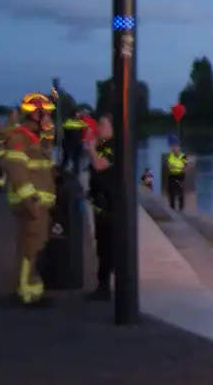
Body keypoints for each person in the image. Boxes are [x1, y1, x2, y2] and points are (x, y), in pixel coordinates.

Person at [2, 93, 58, 306]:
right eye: (45, 114)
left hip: (39, 204)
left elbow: (45, 160)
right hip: (30, 204)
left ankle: (34, 289)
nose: (48, 118)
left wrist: (48, 132)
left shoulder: (37, 138)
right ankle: (26, 293)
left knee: (37, 245)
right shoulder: (19, 138)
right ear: (35, 113)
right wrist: (31, 202)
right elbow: (17, 172)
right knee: (30, 247)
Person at [86, 114, 117, 301]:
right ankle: (102, 284)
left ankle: (106, 286)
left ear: (113, 128)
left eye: (103, 125)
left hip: (110, 204)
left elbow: (99, 165)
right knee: (101, 244)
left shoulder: (114, 147)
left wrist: (90, 145)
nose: (99, 128)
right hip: (99, 203)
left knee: (109, 245)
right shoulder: (103, 145)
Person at [60, 109, 89, 176]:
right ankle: (74, 172)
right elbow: (85, 128)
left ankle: (65, 170)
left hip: (70, 142)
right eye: (78, 113)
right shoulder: (77, 122)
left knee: (68, 158)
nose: (79, 115)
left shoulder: (69, 121)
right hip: (73, 143)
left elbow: (64, 128)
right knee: (72, 158)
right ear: (75, 114)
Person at [165, 135, 188, 211]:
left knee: (180, 192)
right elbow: (168, 164)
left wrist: (183, 171)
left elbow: (185, 165)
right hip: (171, 175)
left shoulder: (182, 156)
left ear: (178, 147)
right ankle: (172, 208)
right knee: (171, 192)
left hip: (179, 175)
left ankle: (181, 208)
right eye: (173, 147)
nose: (174, 148)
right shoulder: (170, 155)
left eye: (175, 147)